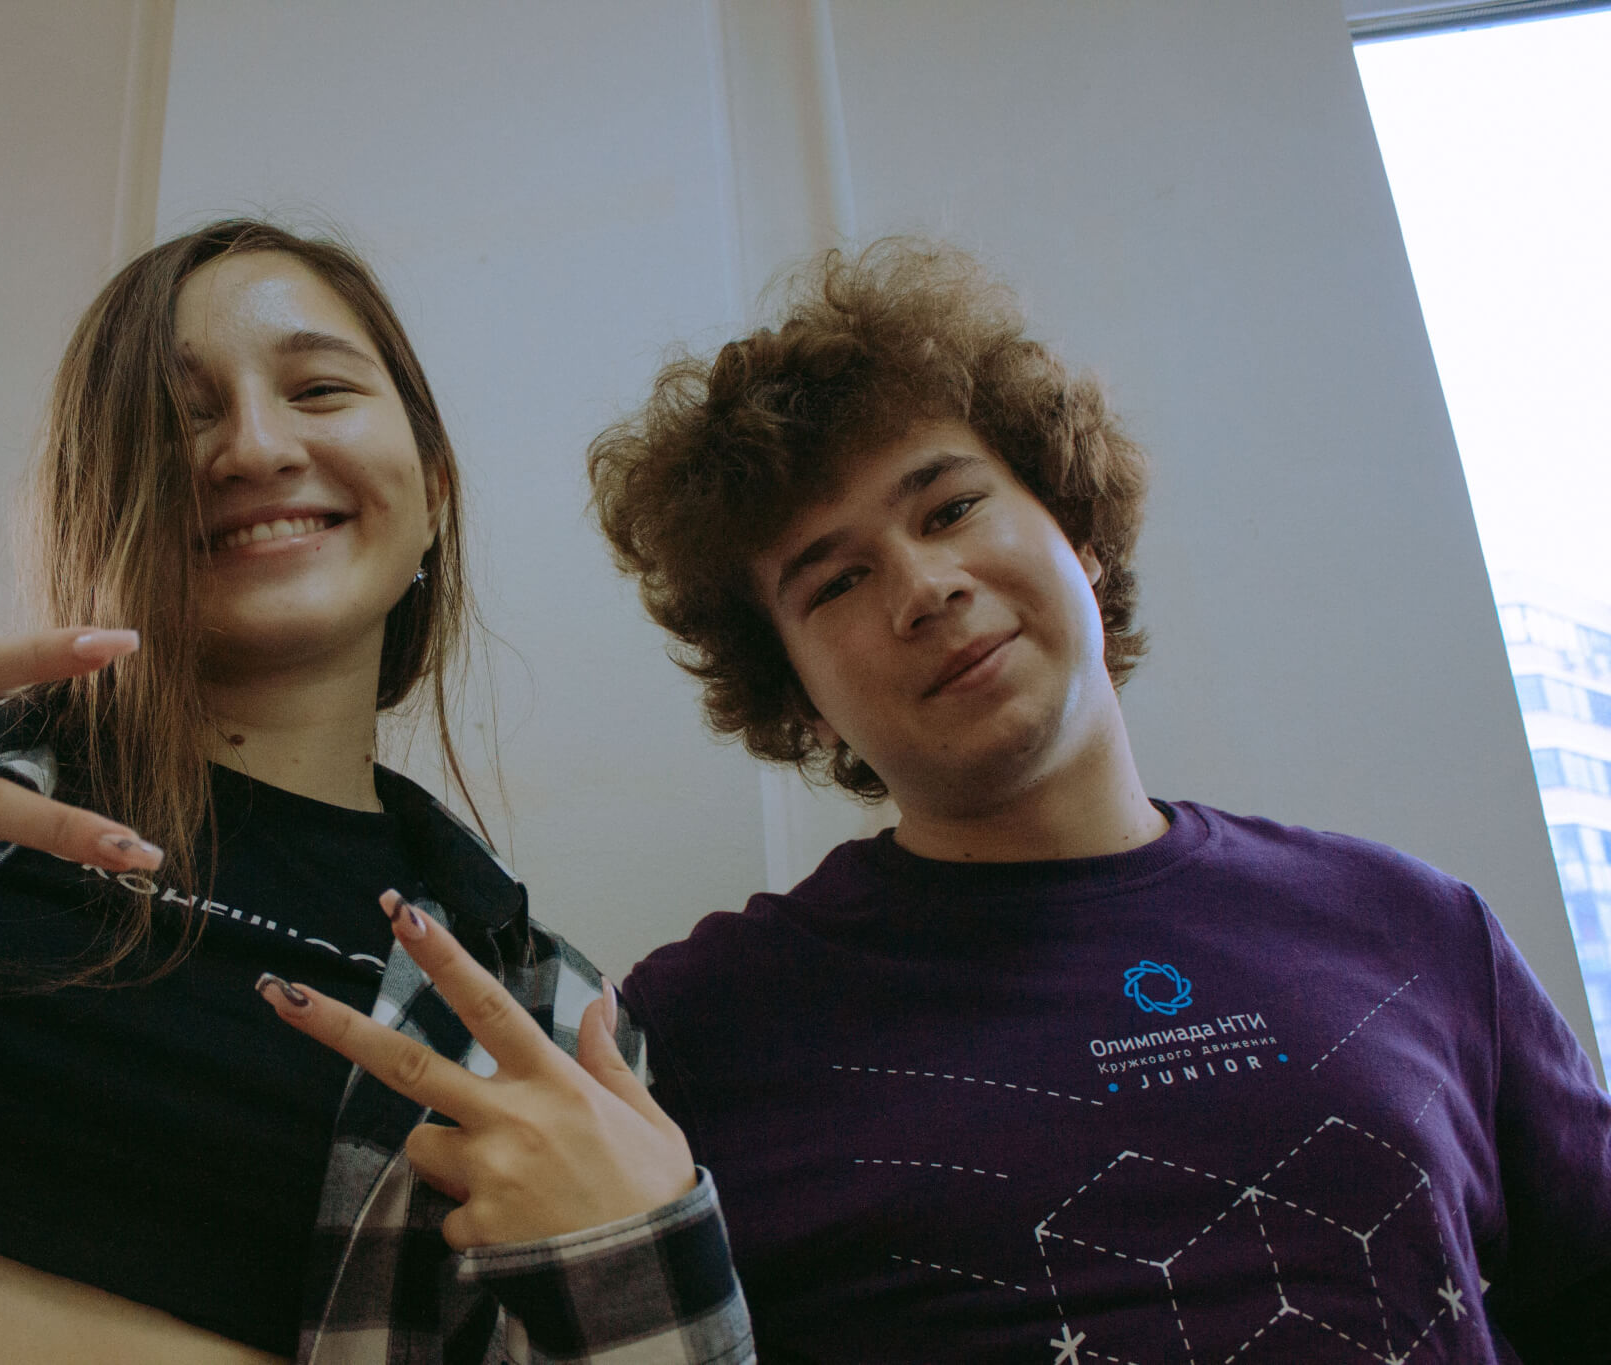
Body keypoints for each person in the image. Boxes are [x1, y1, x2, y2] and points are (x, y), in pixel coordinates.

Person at [283, 239, 1611, 1363]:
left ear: (1076, 533)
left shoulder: (1418, 929)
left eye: (952, 507)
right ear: (796, 696)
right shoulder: (689, 1036)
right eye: (834, 582)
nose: (923, 588)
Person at [0, 219, 748, 1364]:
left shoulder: (551, 1022)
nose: (252, 449)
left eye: (318, 389)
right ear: (96, 498)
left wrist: (636, 1272)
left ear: (432, 486)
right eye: (176, 417)